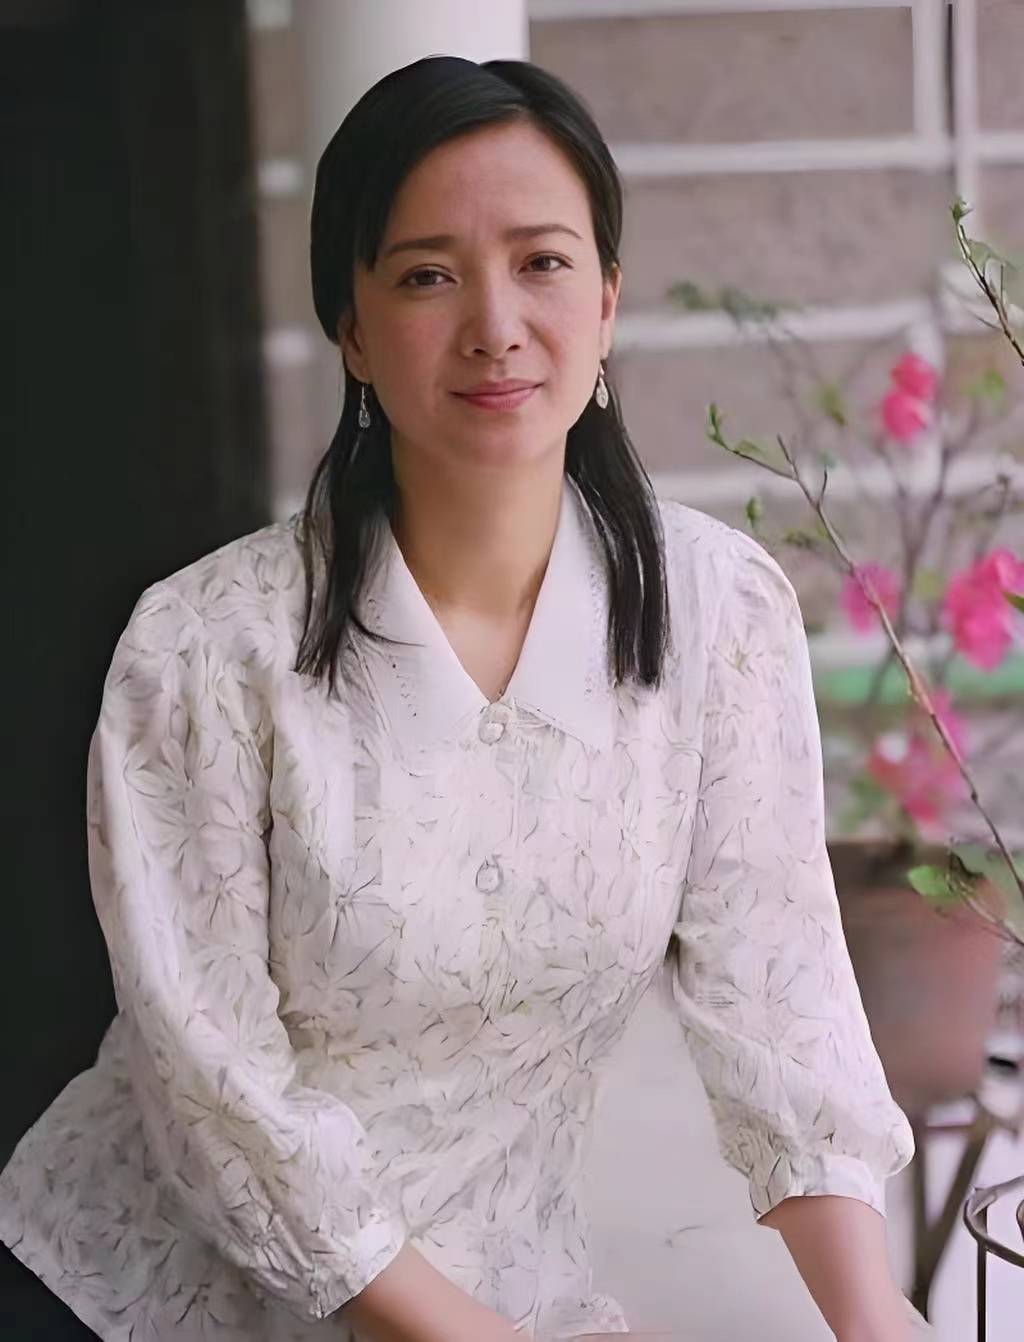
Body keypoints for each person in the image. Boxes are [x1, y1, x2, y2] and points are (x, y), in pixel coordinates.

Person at [0, 54, 921, 1342]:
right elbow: (215, 1089)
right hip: (150, 1301)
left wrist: (877, 1323)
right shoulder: (205, 647)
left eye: (542, 263)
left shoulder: (720, 616)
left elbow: (785, 1012)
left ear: (607, 300)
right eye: (428, 275)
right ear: (352, 327)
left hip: (506, 1289)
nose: (496, 324)